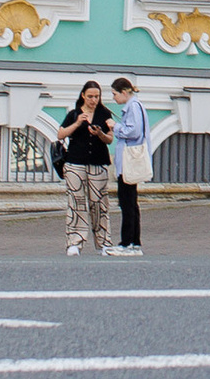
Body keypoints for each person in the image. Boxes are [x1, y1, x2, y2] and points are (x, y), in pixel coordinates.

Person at [59, 82, 113, 254]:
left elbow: (110, 139)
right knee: (76, 202)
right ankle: (75, 242)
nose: (93, 100)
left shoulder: (104, 113)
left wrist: (100, 134)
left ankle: (104, 243)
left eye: (96, 96)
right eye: (90, 96)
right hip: (75, 162)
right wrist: (76, 124)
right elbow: (60, 134)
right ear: (83, 95)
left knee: (99, 204)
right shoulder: (74, 113)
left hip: (98, 162)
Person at [109, 76, 149, 253]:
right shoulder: (135, 106)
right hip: (128, 161)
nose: (114, 98)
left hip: (128, 161)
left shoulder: (132, 106)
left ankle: (127, 243)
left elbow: (133, 131)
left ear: (124, 92)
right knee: (131, 202)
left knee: (127, 202)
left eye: (115, 94)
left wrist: (115, 126)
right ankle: (134, 242)